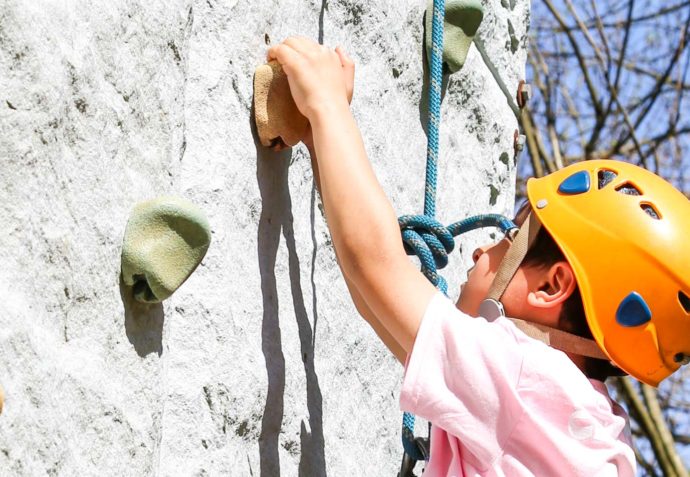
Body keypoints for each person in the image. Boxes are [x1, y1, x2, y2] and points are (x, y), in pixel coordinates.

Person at [267, 36, 690, 476]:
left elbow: (377, 268)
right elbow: (376, 301)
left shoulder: (528, 381)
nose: (482, 246)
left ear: (551, 286)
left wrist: (328, 105)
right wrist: (320, 137)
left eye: (511, 236)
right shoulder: (581, 426)